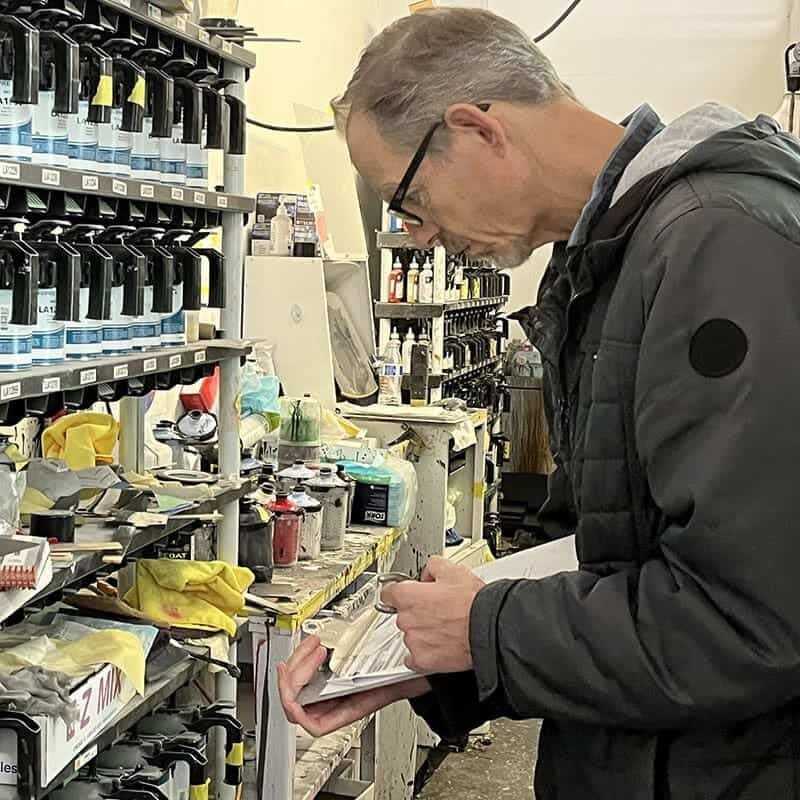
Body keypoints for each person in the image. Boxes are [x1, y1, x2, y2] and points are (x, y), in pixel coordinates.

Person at [279, 7, 800, 798]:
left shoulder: (718, 245)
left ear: (477, 131)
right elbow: (603, 549)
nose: (416, 237)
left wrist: (484, 630)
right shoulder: (614, 259)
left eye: (408, 199)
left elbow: (751, 620)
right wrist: (434, 663)